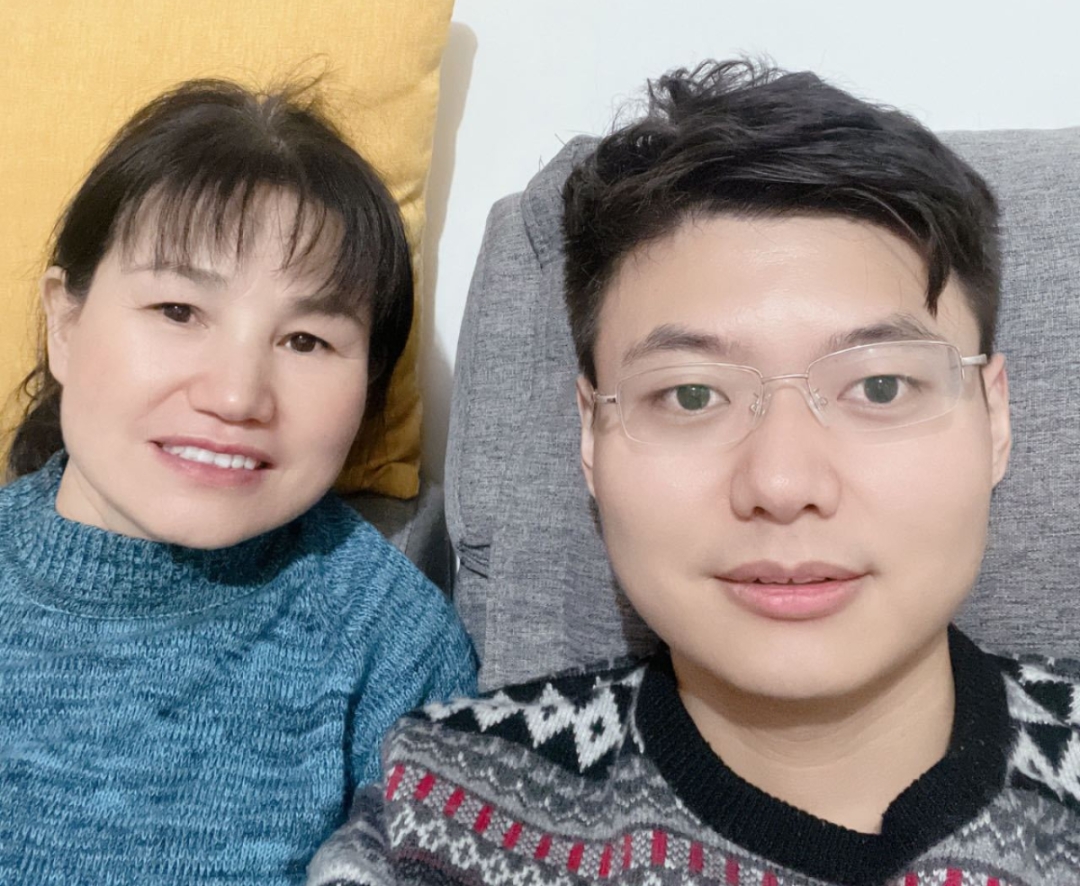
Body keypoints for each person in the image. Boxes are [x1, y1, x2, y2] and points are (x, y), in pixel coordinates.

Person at [309, 61, 1080, 885]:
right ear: (590, 436)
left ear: (995, 417)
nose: (782, 485)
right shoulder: (435, 813)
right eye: (691, 395)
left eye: (880, 386)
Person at [0, 79, 477, 886]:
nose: (235, 396)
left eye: (306, 340)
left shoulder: (393, 648)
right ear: (66, 324)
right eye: (178, 311)